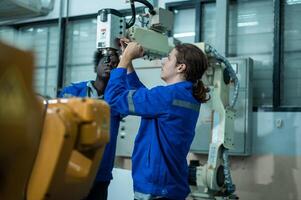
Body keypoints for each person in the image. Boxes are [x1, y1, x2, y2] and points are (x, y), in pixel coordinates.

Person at [104, 42, 210, 200]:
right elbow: (142, 95)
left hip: (156, 188)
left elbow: (113, 99)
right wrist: (129, 65)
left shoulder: (167, 97)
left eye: (168, 58)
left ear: (180, 67)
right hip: (170, 185)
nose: (163, 62)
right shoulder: (184, 95)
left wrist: (125, 59)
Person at [59, 50, 120, 200]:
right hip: (73, 169)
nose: (109, 65)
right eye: (106, 60)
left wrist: (127, 60)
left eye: (114, 63)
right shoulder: (72, 92)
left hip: (101, 175)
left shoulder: (119, 100)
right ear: (95, 67)